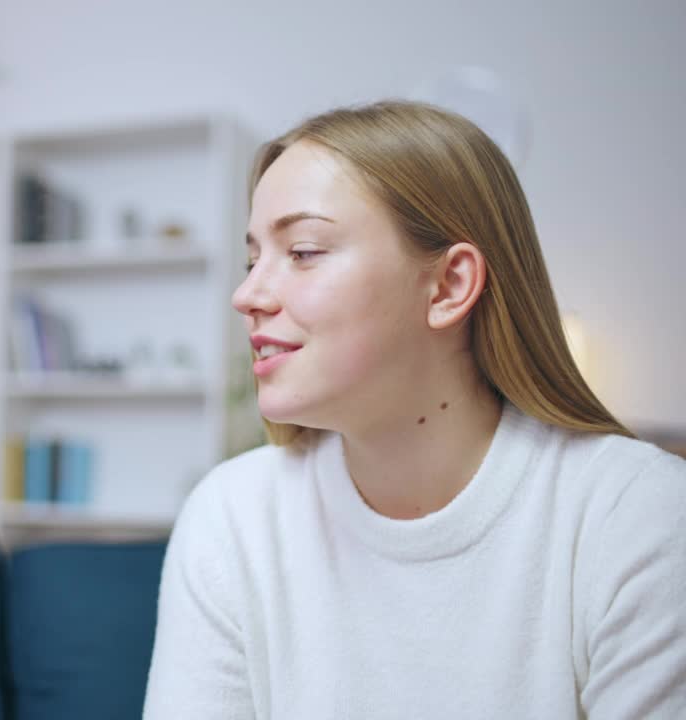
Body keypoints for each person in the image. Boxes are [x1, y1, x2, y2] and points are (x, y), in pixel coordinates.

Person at [144, 101, 686, 718]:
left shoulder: (640, 516)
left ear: (451, 285)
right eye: (252, 260)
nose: (247, 295)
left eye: (304, 250)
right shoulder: (232, 517)